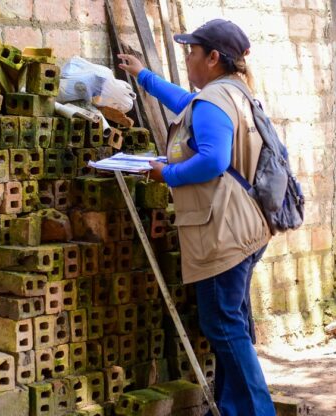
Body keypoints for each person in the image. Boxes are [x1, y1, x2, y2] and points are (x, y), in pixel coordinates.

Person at [118, 19, 276, 416]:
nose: (187, 58)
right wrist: (143, 76)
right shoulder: (232, 92)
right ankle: (231, 408)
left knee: (223, 325)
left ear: (213, 57)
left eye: (192, 52)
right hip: (246, 226)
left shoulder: (214, 99)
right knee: (231, 323)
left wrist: (166, 173)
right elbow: (185, 105)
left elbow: (213, 160)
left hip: (224, 231)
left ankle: (258, 411)